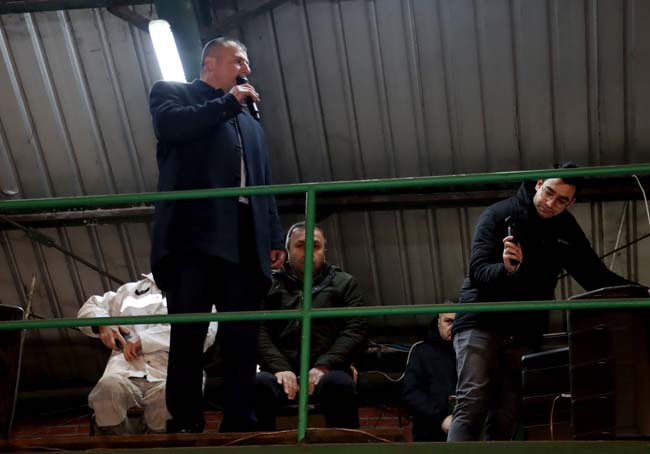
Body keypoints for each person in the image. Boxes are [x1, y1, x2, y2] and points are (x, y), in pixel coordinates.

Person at [447, 162, 644, 441]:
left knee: (507, 413)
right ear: (539, 183)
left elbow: (594, 275)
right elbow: (477, 272)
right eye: (549, 192)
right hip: (482, 321)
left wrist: (642, 293)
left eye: (561, 200)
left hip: (524, 331)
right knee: (472, 402)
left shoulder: (566, 229)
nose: (551, 203)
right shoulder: (498, 214)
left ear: (571, 203)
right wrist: (506, 269)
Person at [148, 37, 285, 433]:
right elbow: (173, 127)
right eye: (239, 60)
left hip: (243, 236)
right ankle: (187, 419)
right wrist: (227, 103)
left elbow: (262, 182)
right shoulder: (173, 94)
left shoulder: (250, 122)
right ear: (210, 62)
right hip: (193, 236)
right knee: (189, 333)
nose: (247, 69)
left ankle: (240, 418)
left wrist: (273, 236)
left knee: (242, 336)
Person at [255, 222, 367, 430]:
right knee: (257, 385)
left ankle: (345, 444)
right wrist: (280, 368)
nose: (307, 252)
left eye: (315, 246)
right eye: (300, 245)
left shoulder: (345, 283)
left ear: (324, 251)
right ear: (287, 251)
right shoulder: (267, 284)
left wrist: (324, 365)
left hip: (329, 370)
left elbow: (356, 329)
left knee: (340, 385)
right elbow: (256, 329)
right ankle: (260, 446)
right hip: (277, 370)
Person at [77, 274, 217, 434]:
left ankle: (156, 442)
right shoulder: (129, 291)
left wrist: (144, 340)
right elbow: (91, 306)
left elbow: (205, 335)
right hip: (124, 370)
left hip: (170, 374)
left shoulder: (201, 293)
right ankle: (119, 442)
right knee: (107, 389)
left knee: (171, 400)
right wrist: (102, 323)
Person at [402, 311, 456, 442]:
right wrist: (441, 418)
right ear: (438, 323)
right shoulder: (421, 353)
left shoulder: (475, 353)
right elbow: (411, 394)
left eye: (458, 322)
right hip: (430, 434)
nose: (453, 327)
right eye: (448, 321)